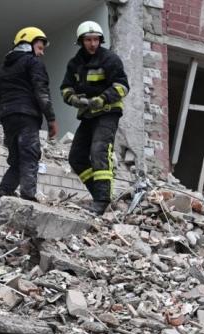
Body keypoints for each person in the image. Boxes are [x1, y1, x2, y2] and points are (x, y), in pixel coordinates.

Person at [60, 20, 128, 215]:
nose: (93, 44)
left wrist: (103, 99)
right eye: (88, 40)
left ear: (100, 40)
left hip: (108, 113)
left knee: (99, 150)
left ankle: (102, 199)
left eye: (96, 40)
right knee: (76, 158)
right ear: (81, 41)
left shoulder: (110, 59)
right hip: (88, 115)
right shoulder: (75, 63)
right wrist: (73, 99)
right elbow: (65, 88)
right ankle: (97, 193)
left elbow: (123, 86)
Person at [0, 27, 58, 203]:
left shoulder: (4, 66)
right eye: (40, 47)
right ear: (28, 43)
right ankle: (28, 195)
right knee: (30, 155)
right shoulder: (33, 63)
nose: (41, 53)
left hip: (7, 116)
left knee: (17, 159)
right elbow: (42, 92)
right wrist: (51, 119)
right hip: (26, 115)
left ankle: (2, 192)